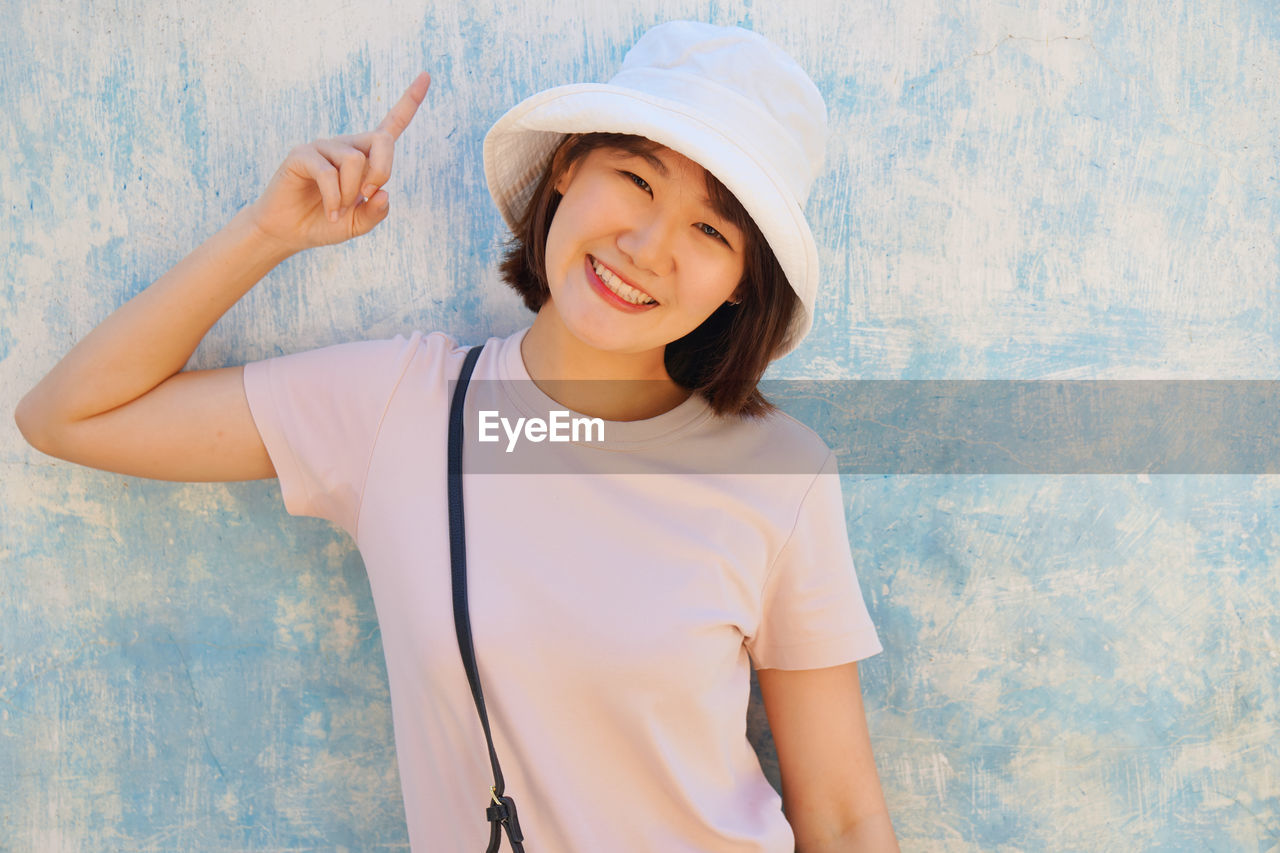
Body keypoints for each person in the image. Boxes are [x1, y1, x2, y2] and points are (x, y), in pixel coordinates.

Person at [15, 20, 899, 853]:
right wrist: (268, 234)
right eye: (635, 178)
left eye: (711, 230)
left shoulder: (781, 472)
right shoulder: (399, 406)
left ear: (743, 283)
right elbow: (68, 415)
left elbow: (845, 815)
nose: (646, 244)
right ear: (567, 170)